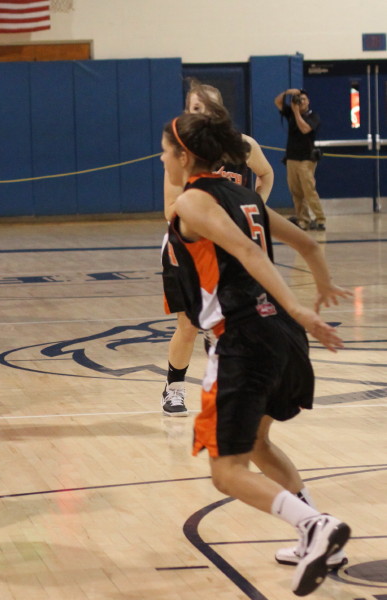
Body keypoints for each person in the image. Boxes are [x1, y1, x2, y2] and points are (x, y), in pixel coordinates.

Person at [161, 111, 351, 596]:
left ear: (184, 155)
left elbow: (250, 254)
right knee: (259, 444)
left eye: (165, 151)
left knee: (227, 472)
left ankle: (314, 525)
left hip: (244, 339)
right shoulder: (247, 195)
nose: (162, 159)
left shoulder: (193, 201)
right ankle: (319, 537)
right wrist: (320, 288)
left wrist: (301, 307)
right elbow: (308, 244)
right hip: (283, 336)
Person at [160, 80, 275, 417]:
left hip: (228, 245)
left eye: (203, 108)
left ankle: (229, 382)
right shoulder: (181, 152)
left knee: (232, 321)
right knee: (188, 324)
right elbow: (170, 211)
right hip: (188, 246)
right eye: (192, 108)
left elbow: (266, 174)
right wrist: (207, 209)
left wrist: (252, 206)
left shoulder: (243, 146)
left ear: (218, 111)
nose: (198, 114)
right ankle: (174, 388)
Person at [275, 88, 325, 231]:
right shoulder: (290, 112)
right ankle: (303, 220)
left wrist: (296, 112)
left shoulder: (313, 116)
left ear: (308, 101)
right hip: (291, 157)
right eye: (299, 99)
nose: (301, 102)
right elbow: (277, 101)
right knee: (296, 192)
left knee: (309, 190)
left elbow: (305, 129)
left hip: (306, 158)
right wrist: (287, 92)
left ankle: (320, 219)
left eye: (303, 99)